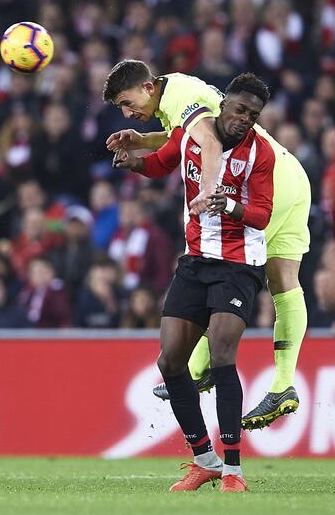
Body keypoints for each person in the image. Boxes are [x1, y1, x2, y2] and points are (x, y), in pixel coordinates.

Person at [104, 59, 311, 430]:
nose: (127, 111)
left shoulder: (181, 96)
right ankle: (283, 384)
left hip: (258, 183)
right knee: (284, 281)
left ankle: (198, 368)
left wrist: (208, 192)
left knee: (216, 262)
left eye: (126, 101)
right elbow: (187, 139)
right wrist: (143, 142)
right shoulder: (178, 94)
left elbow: (211, 143)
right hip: (290, 174)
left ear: (148, 87)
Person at [112, 74, 275, 492]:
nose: (245, 120)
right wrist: (134, 162)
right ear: (223, 105)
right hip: (196, 261)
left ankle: (235, 470)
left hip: (238, 265)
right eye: (239, 110)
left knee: (222, 355)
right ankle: (205, 459)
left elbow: (261, 215)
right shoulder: (189, 133)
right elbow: (161, 163)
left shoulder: (260, 153)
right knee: (169, 362)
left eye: (253, 115)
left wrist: (231, 205)